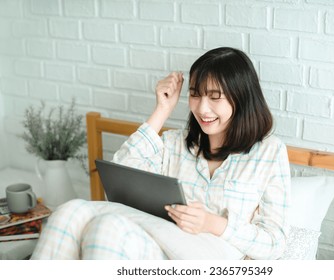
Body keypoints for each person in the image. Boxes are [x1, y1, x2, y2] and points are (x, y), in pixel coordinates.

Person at [31, 47, 291, 260]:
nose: (202, 108)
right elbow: (122, 174)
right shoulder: (174, 143)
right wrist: (162, 109)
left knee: (93, 217)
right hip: (159, 247)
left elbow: (275, 243)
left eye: (215, 97)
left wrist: (212, 223)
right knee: (74, 213)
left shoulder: (269, 152)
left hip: (214, 257)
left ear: (241, 98)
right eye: (194, 94)